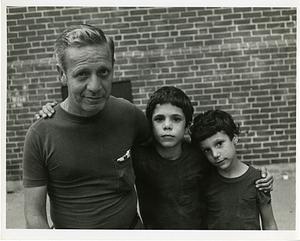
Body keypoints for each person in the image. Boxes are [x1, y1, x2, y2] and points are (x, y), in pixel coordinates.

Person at [37, 87, 274, 229]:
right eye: (160, 119)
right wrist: (57, 114)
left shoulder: (199, 154)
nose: (168, 126)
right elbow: (98, 136)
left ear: (187, 126)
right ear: (150, 123)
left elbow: (228, 168)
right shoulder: (139, 155)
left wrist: (261, 178)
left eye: (176, 119)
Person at [23, 24, 150, 229]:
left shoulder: (128, 114)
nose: (95, 86)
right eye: (82, 74)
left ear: (112, 67)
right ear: (62, 74)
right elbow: (34, 215)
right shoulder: (41, 134)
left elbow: (165, 150)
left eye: (103, 72)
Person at [190, 109, 278, 230]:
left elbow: (269, 224)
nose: (215, 154)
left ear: (235, 138)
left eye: (219, 143)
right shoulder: (205, 180)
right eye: (207, 150)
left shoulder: (259, 180)